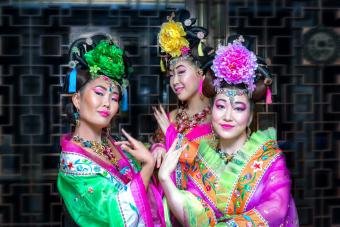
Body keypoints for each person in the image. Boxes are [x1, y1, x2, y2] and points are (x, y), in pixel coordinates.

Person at [157, 35, 299, 226]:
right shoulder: (200, 159)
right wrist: (165, 179)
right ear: (211, 109)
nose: (228, 116)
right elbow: (193, 216)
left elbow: (277, 208)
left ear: (250, 116)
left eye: (239, 108)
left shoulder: (269, 160)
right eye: (221, 106)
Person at [57, 34, 164, 227]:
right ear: (77, 100)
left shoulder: (111, 142)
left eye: (114, 98)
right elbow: (119, 215)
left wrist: (157, 147)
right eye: (99, 93)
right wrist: (147, 165)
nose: (107, 103)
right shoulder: (73, 163)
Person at [152, 10, 216, 191]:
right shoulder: (171, 117)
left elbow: (214, 173)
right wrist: (157, 148)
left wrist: (171, 135)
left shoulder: (218, 118)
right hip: (169, 211)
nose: (174, 81)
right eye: (171, 75)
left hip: (204, 214)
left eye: (181, 72)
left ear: (200, 72)